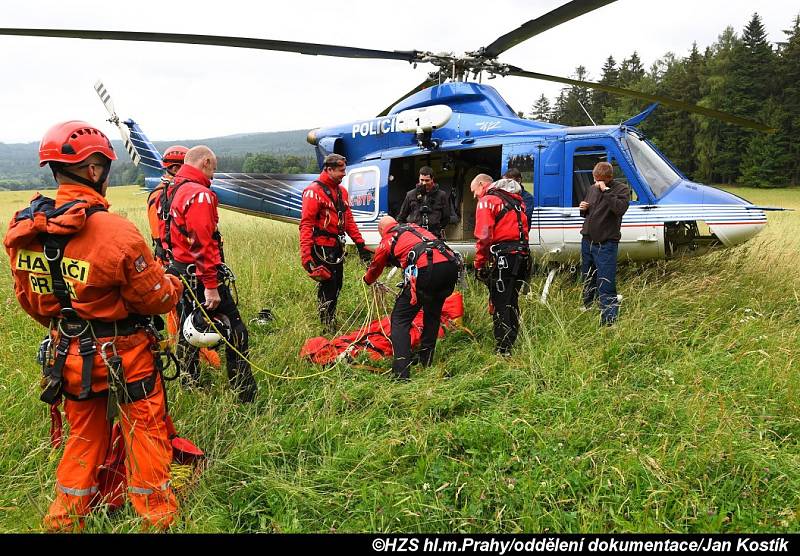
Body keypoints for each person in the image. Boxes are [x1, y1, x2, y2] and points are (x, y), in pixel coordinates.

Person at [4, 120, 183, 530]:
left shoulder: (25, 230)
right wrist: (172, 281)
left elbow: (31, 302)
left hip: (68, 356)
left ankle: (65, 520)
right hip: (128, 357)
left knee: (83, 439)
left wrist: (70, 323)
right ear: (94, 170)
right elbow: (156, 298)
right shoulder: (115, 232)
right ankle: (157, 518)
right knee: (146, 433)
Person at [158, 145, 257, 402]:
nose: (213, 175)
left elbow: (166, 235)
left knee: (187, 329)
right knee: (236, 331)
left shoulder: (170, 190)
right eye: (213, 168)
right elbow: (201, 242)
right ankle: (244, 393)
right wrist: (210, 285)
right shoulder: (198, 194)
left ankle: (190, 382)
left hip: (179, 273)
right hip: (200, 277)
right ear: (204, 162)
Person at [148, 145, 221, 368]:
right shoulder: (168, 194)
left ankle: (192, 362)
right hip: (179, 264)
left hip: (174, 263)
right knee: (181, 317)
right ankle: (194, 360)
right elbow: (165, 235)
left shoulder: (167, 191)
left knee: (183, 315)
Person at [363, 216, 460, 379]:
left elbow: (376, 267)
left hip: (427, 270)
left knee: (400, 319)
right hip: (450, 267)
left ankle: (401, 373)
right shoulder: (413, 228)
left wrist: (367, 280)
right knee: (432, 314)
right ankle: (426, 361)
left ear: (381, 230)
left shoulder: (388, 238)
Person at [300, 153, 372, 333]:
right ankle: (326, 324)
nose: (344, 174)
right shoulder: (313, 192)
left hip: (336, 247)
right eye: (341, 170)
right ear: (329, 169)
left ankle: (330, 319)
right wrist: (306, 255)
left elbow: (348, 220)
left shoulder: (342, 192)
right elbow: (306, 224)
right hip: (321, 247)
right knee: (328, 286)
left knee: (337, 284)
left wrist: (360, 244)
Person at [472, 175, 531, 355]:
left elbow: (484, 235)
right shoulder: (516, 201)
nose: (475, 196)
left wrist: (479, 262)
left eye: (474, 191)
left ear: (482, 184)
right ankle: (512, 340)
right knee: (511, 300)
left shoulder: (487, 201)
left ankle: (503, 349)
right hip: (522, 256)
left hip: (505, 257)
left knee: (500, 302)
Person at [578, 161, 630, 325]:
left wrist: (606, 191)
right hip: (587, 241)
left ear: (610, 177)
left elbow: (619, 209)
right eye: (596, 179)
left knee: (605, 281)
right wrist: (583, 208)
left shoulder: (622, 189)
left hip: (606, 243)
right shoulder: (592, 189)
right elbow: (587, 214)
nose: (597, 182)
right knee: (588, 277)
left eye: (601, 179)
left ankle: (609, 320)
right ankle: (588, 307)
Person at [147, 145, 188, 262]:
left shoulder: (173, 191)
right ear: (175, 168)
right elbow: (158, 235)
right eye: (187, 168)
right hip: (168, 261)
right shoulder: (159, 195)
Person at [397, 166, 450, 238]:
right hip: (415, 236)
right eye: (421, 180)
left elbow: (446, 217)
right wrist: (407, 231)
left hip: (434, 235)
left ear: (432, 179)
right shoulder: (410, 194)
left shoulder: (441, 195)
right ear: (419, 178)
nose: (424, 183)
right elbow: (401, 217)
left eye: (427, 180)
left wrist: (438, 228)